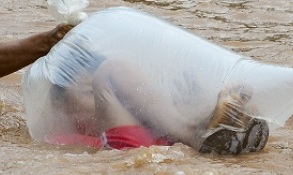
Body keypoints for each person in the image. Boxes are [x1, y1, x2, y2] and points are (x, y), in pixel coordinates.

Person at [45, 54, 270, 155]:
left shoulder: (135, 118)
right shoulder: (62, 140)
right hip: (124, 151)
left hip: (163, 149)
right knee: (111, 69)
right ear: (63, 108)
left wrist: (187, 105)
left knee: (248, 113)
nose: (99, 102)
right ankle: (195, 133)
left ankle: (209, 127)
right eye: (89, 92)